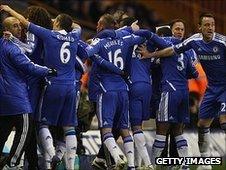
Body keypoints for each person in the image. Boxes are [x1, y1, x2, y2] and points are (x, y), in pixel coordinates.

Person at [138, 13, 226, 170]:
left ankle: (151, 165)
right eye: (177, 29)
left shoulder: (168, 44)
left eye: (182, 29)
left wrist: (150, 55)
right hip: (192, 90)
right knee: (188, 128)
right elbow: (192, 71)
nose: (179, 32)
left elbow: (155, 55)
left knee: (162, 130)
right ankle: (191, 165)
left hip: (170, 90)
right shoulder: (190, 46)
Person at [0, 16, 55, 169]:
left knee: (3, 131)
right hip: (17, 96)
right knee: (26, 129)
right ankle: (12, 164)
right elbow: (29, 66)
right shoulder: (12, 48)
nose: (19, 28)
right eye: (15, 26)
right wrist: (48, 70)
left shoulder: (2, 44)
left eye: (19, 25)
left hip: (4, 98)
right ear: (6, 30)